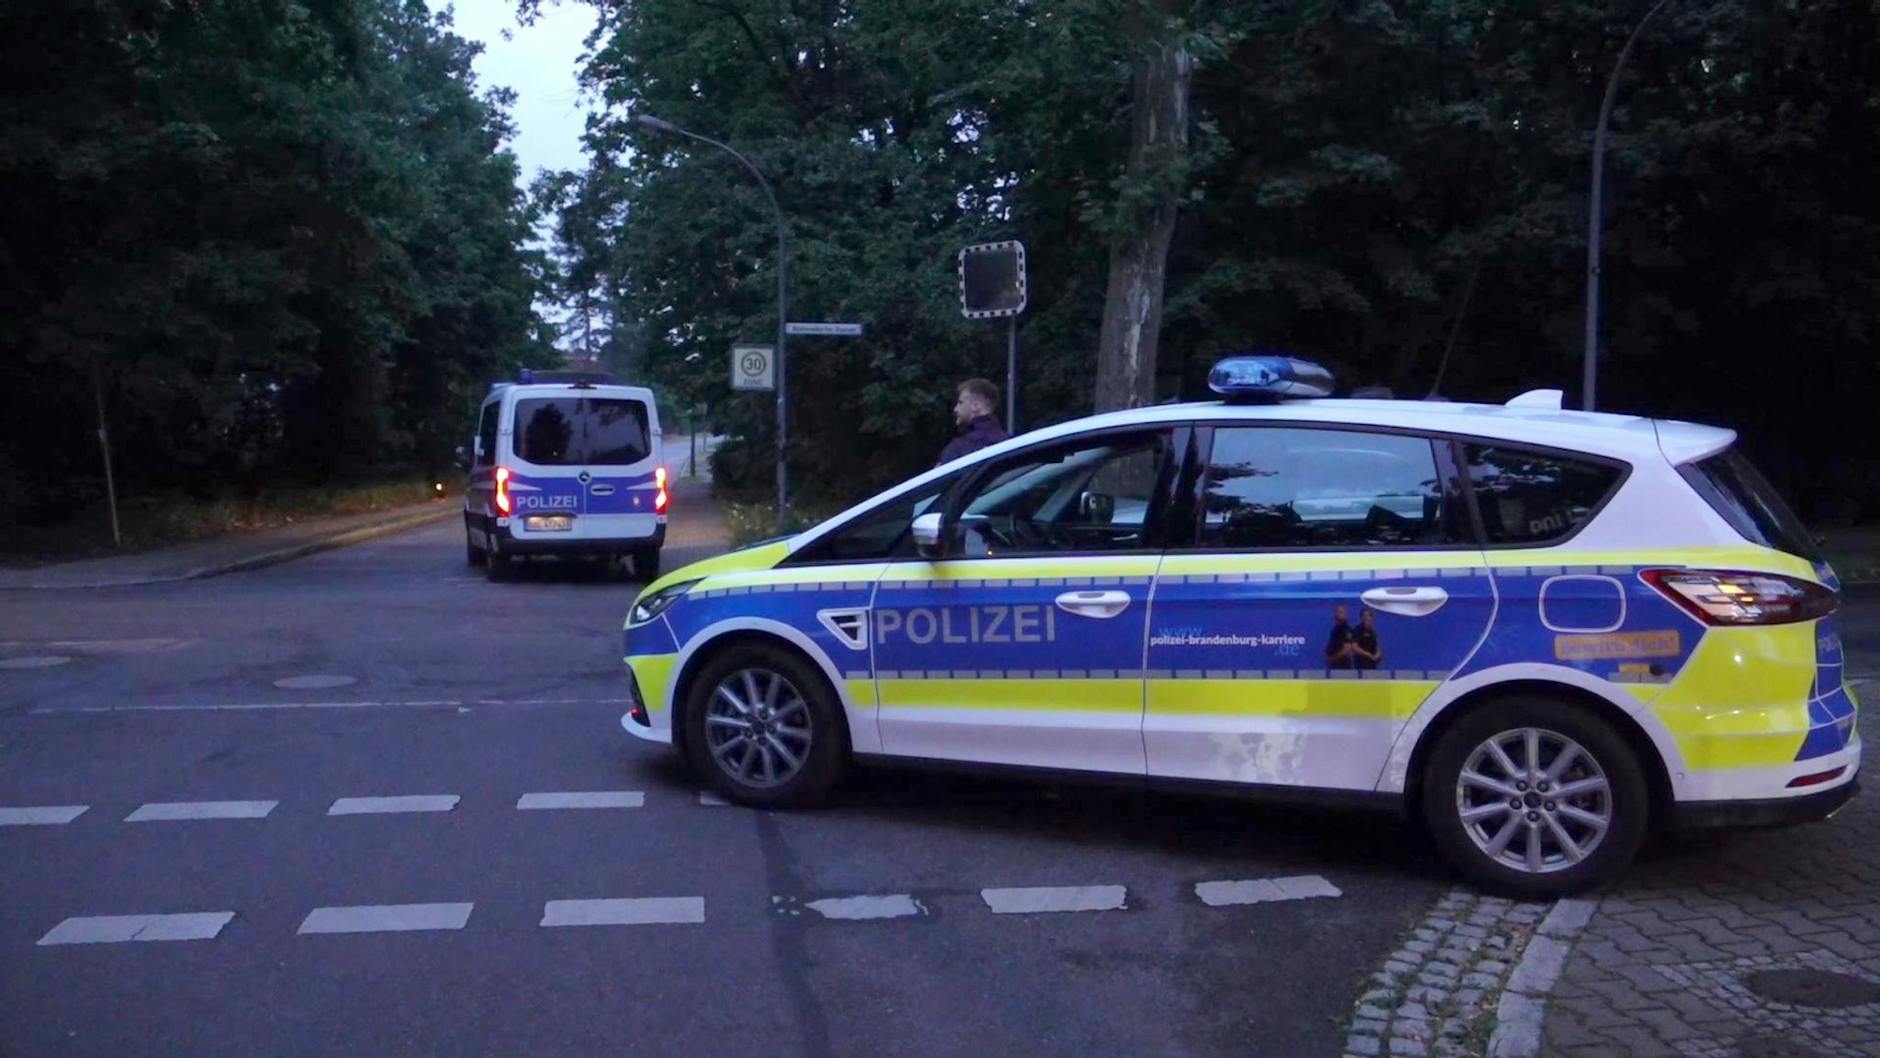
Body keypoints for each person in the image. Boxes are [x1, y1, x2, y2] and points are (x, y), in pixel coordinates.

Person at [937, 378, 1009, 466]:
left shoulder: (958, 448)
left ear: (976, 406)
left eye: (960, 403)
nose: (955, 409)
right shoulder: (1010, 444)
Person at [1325, 604, 1355, 670]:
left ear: (1345, 614)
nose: (1338, 614)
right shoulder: (1335, 630)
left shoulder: (1347, 630)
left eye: (1341, 612)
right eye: (1337, 612)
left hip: (1343, 666)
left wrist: (1332, 658)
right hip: (1334, 666)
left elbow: (1347, 649)